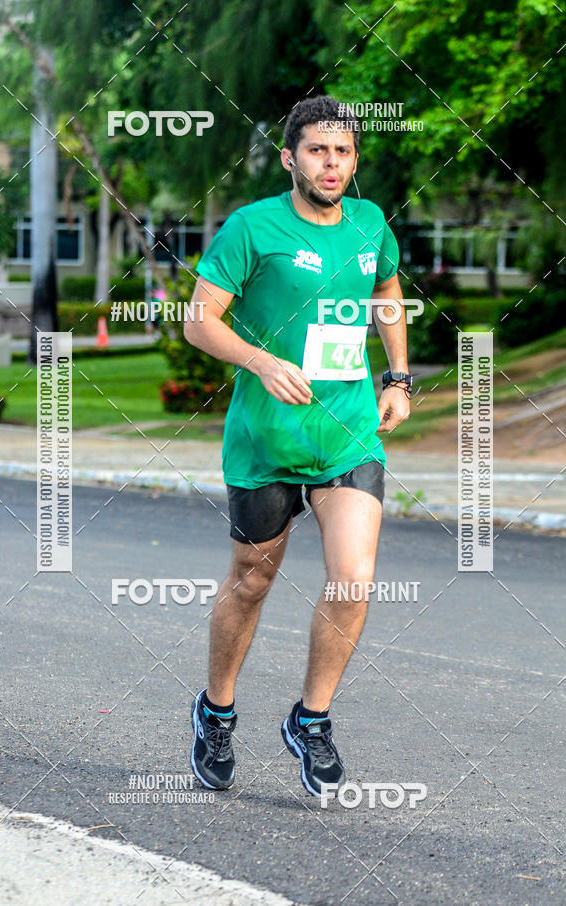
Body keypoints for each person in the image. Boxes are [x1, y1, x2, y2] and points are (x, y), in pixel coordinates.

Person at [184, 95, 412, 797]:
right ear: (290, 158)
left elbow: (387, 293)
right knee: (252, 581)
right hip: (267, 437)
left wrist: (398, 376)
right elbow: (199, 321)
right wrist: (260, 361)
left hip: (348, 433)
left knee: (353, 579)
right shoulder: (253, 227)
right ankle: (216, 711)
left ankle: (311, 720)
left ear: (355, 160)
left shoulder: (371, 224)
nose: (331, 163)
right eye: (317, 150)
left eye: (342, 151)